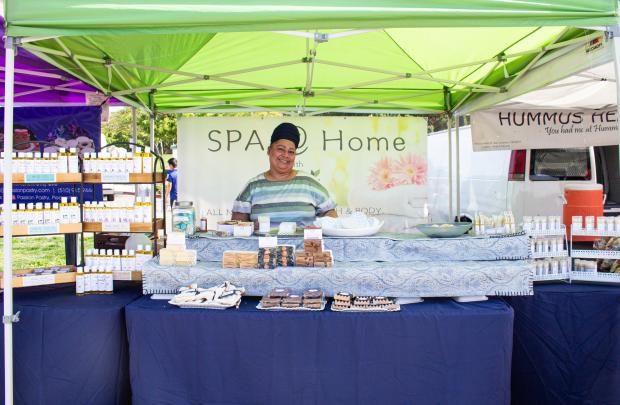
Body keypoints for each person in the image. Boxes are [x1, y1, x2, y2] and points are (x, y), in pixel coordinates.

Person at [232, 122, 337, 225]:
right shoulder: (253, 186)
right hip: (264, 243)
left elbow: (330, 213)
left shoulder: (309, 183)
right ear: (269, 151)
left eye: (291, 152)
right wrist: (252, 227)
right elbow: (237, 224)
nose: (286, 155)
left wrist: (322, 228)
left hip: (305, 243)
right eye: (281, 149)